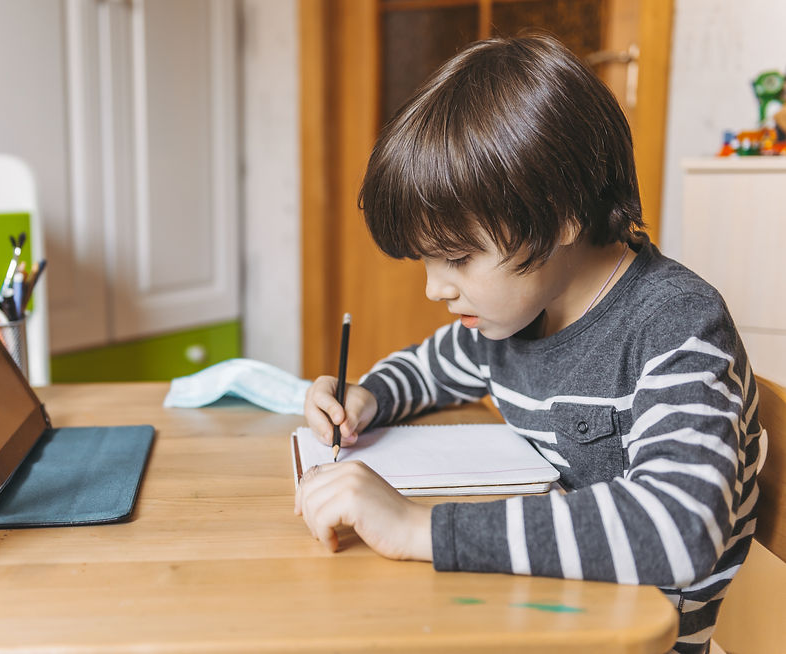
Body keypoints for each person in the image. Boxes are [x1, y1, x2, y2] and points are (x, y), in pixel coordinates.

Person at [295, 34, 761, 654]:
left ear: (562, 213)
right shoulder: (510, 320)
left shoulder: (676, 326)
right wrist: (368, 397)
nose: (436, 288)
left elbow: (678, 528)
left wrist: (417, 526)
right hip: (537, 613)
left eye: (458, 257)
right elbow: (433, 367)